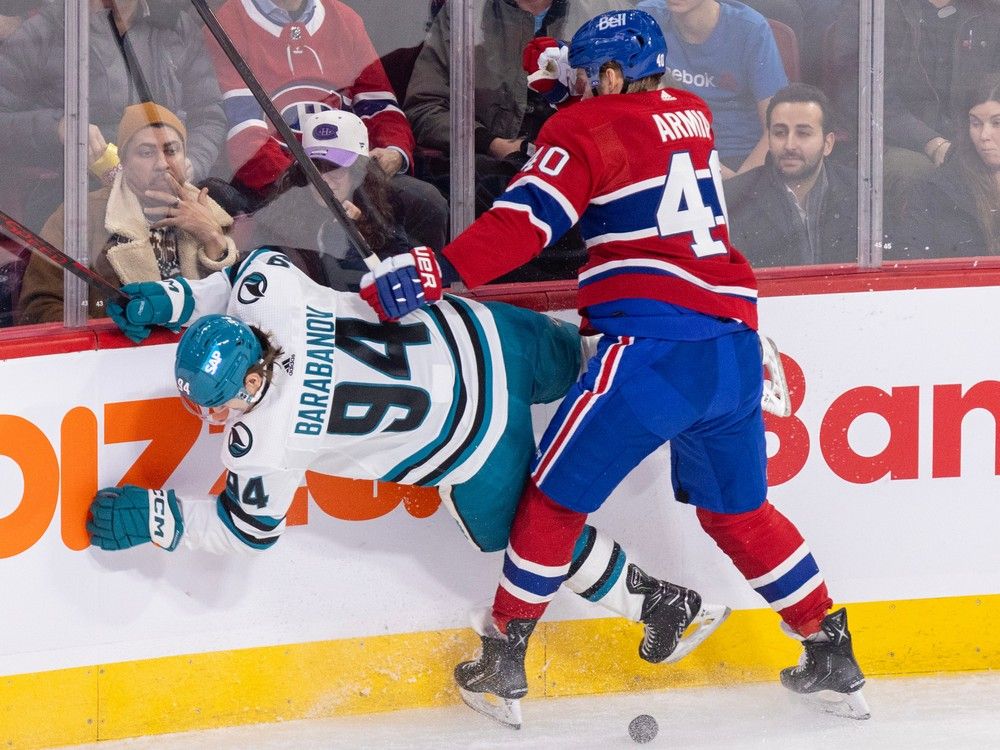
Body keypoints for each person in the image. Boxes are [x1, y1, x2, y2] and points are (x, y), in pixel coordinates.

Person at [359, 9, 869, 722]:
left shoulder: (582, 128)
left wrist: (439, 267)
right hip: (730, 347)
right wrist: (564, 87)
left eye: (585, 77)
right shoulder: (690, 111)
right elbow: (621, 138)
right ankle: (830, 647)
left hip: (653, 352)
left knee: (553, 498)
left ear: (606, 76)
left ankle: (504, 659)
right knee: (739, 513)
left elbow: (527, 219)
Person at [92, 249, 733, 730]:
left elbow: (248, 529)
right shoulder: (272, 296)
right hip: (485, 338)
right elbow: (235, 283)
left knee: (526, 537)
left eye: (231, 398)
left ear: (255, 373)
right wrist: (174, 301)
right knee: (609, 360)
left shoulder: (265, 440)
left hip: (476, 446)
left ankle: (658, 606)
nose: (227, 414)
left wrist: (158, 516)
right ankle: (733, 363)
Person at [404, 0, 632, 281]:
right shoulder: (465, 12)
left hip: (579, 175)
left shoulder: (601, 14)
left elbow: (643, 103)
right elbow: (425, 105)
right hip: (485, 176)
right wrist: (492, 143)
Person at [206, 0, 449, 251]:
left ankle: (411, 287)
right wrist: (306, 179)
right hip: (284, 182)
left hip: (350, 173)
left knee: (427, 204)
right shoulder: (229, 21)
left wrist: (393, 151)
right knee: (308, 240)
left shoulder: (345, 19)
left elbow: (379, 105)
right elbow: (245, 134)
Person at [0, 0, 226, 231]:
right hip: (77, 209)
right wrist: (58, 127)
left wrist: (192, 163)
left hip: (169, 208)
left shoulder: (175, 27)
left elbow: (209, 116)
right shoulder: (46, 32)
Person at [17, 102, 239, 324]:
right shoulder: (81, 216)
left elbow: (243, 301)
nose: (162, 163)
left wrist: (212, 236)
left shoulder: (214, 215)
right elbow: (39, 307)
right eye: (146, 153)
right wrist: (112, 332)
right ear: (124, 162)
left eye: (172, 150)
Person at [829, 0, 1000, 220]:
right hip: (895, 142)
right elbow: (858, 94)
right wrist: (930, 141)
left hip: (974, 137)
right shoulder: (872, 8)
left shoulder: (990, 9)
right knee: (917, 173)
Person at [248, 108, 414, 290]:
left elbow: (393, 284)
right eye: (315, 166)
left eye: (335, 167)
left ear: (358, 172)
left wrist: (349, 238)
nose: (324, 178)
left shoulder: (384, 210)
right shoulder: (282, 212)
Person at [637, 0, 788, 177]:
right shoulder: (646, 18)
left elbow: (778, 128)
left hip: (740, 159)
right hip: (675, 151)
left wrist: (738, 184)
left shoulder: (751, 29)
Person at [725, 83, 858, 266]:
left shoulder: (861, 194)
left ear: (828, 143)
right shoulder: (734, 198)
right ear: (769, 139)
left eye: (803, 133)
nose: (789, 145)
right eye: (780, 133)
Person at [892, 74, 1000, 257]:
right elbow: (911, 262)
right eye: (975, 124)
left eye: (996, 123)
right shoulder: (933, 191)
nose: (984, 135)